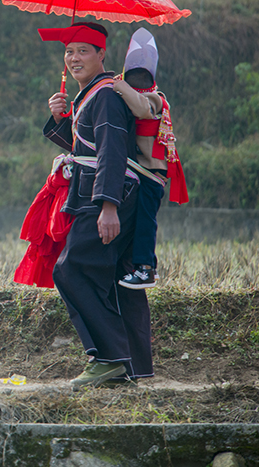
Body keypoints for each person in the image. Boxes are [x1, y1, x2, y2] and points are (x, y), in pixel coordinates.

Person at [40, 22, 153, 389]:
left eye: (83, 51)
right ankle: (129, 365)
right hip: (105, 191)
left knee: (71, 269)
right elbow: (84, 148)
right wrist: (62, 121)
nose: (74, 58)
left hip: (105, 195)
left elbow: (112, 151)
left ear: (102, 54)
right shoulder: (91, 94)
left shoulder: (104, 94)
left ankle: (109, 358)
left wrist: (108, 207)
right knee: (113, 278)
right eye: (69, 51)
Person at [111, 28, 189, 289]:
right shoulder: (125, 97)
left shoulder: (154, 98)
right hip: (133, 170)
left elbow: (142, 109)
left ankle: (146, 268)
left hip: (151, 174)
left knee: (146, 220)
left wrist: (120, 85)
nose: (137, 80)